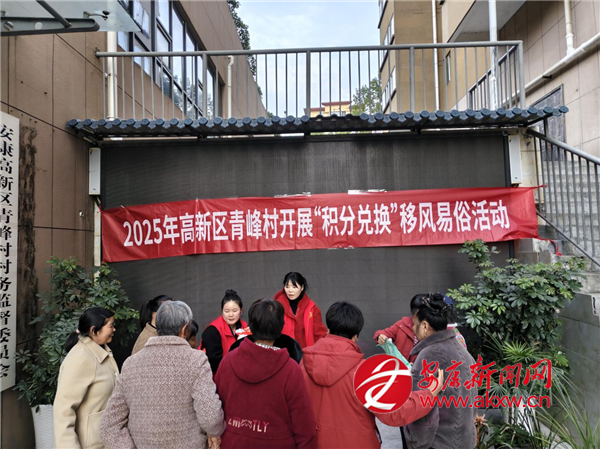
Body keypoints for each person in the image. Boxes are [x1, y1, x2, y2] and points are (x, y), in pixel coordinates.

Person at [301, 302, 443, 449]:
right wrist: (428, 394)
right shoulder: (365, 372)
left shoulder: (304, 364)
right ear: (355, 336)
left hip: (316, 442)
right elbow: (394, 413)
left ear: (328, 329)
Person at [99, 301, 225, 449]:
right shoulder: (196, 360)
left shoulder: (131, 363)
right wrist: (215, 432)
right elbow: (210, 417)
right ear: (184, 329)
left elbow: (109, 425)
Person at [215, 299, 316, 449]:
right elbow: (304, 427)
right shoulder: (291, 369)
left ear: (250, 326)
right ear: (281, 327)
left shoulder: (228, 361)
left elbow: (216, 407)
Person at [405, 293, 477, 449]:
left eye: (414, 323)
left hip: (439, 444)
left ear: (424, 326)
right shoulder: (463, 352)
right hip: (465, 441)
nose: (412, 328)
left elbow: (423, 413)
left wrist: (415, 442)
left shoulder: (428, 355)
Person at [54, 307, 119, 449]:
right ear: (93, 330)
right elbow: (63, 410)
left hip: (104, 440)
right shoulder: (81, 357)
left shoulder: (101, 350)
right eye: (111, 326)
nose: (114, 329)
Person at [201, 289, 251, 374]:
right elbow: (213, 363)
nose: (231, 315)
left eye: (234, 311)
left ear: (241, 310)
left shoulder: (245, 326)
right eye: (226, 311)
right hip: (218, 375)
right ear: (222, 311)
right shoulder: (212, 330)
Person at [274, 272, 327, 348]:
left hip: (306, 352)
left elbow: (320, 334)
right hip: (282, 352)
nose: (290, 290)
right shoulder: (276, 307)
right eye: (287, 286)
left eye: (294, 287)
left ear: (302, 287)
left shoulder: (312, 308)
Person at [373, 294, 424, 363]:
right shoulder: (402, 324)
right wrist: (380, 337)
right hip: (400, 366)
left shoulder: (430, 327)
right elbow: (383, 333)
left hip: (421, 367)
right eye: (415, 313)